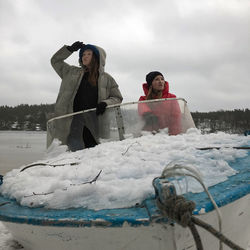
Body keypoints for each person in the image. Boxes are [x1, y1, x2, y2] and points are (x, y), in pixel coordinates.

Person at [51, 41, 123, 151]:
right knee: (73, 154)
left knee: (93, 154)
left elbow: (117, 98)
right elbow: (55, 61)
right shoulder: (70, 72)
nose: (85, 56)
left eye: (88, 54)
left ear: (97, 57)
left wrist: (105, 103)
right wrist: (70, 49)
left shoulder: (107, 78)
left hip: (95, 124)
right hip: (72, 123)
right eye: (83, 54)